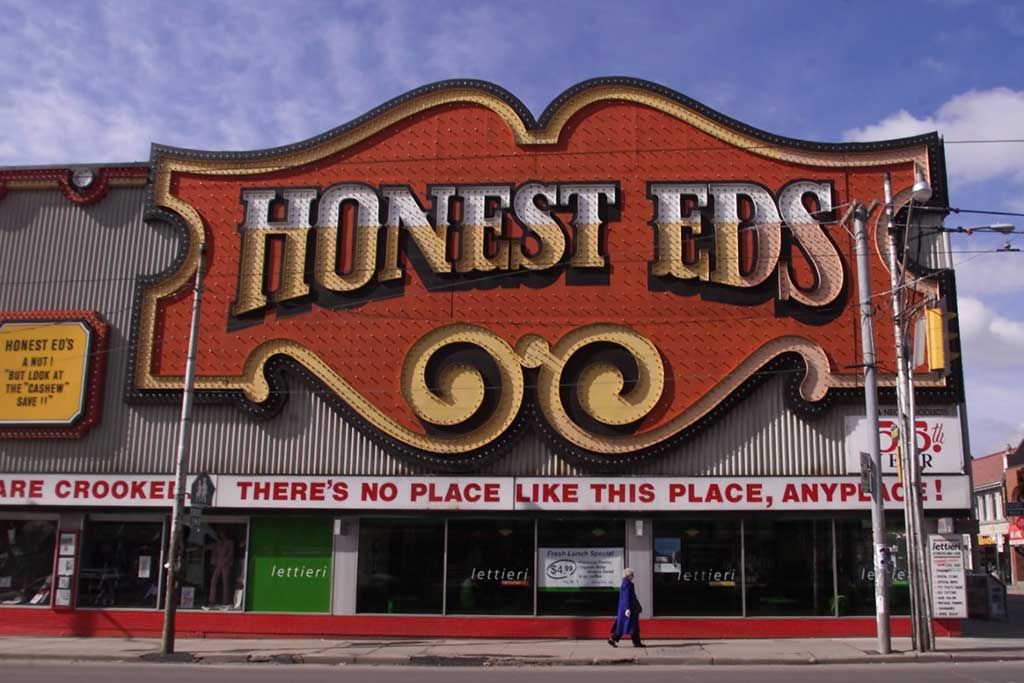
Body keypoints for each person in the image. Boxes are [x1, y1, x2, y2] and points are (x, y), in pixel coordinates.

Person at [608, 567, 645, 647]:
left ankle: (613, 639)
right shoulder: (627, 584)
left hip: (628, 608)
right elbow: (626, 597)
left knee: (625, 625)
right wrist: (627, 609)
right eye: (632, 574)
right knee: (633, 626)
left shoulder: (626, 583)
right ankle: (636, 643)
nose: (633, 576)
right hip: (630, 608)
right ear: (628, 575)